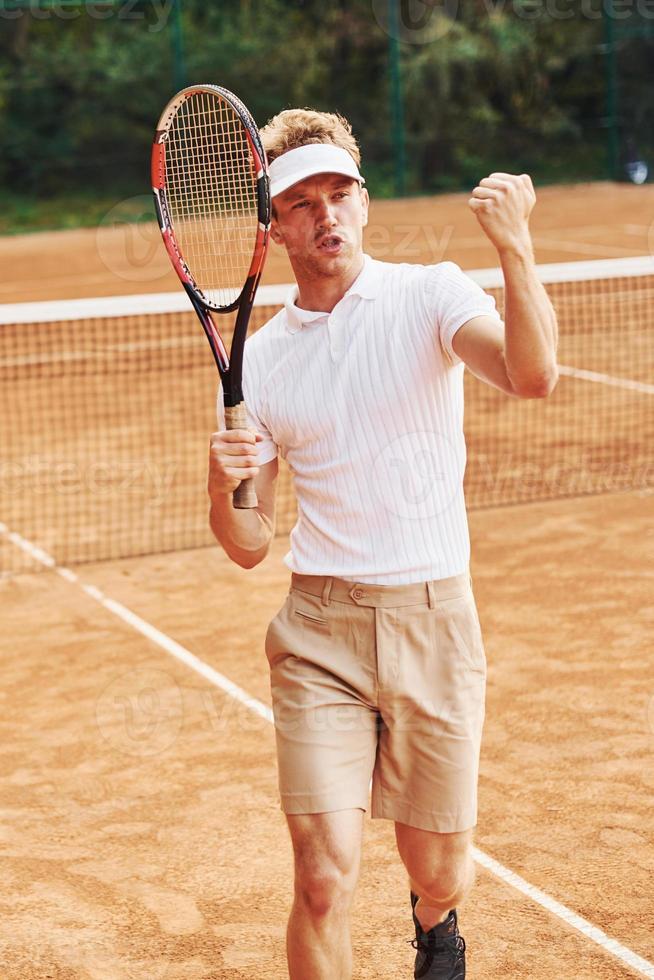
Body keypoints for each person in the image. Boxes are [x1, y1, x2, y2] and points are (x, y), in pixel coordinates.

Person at [208, 109, 558, 980]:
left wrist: (514, 248)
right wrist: (223, 483)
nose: (327, 215)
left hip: (434, 621)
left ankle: (435, 925)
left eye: (341, 194)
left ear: (362, 203)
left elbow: (532, 375)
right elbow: (249, 543)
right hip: (318, 630)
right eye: (304, 202)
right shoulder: (264, 361)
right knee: (322, 877)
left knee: (438, 870)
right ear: (274, 224)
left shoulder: (429, 295)